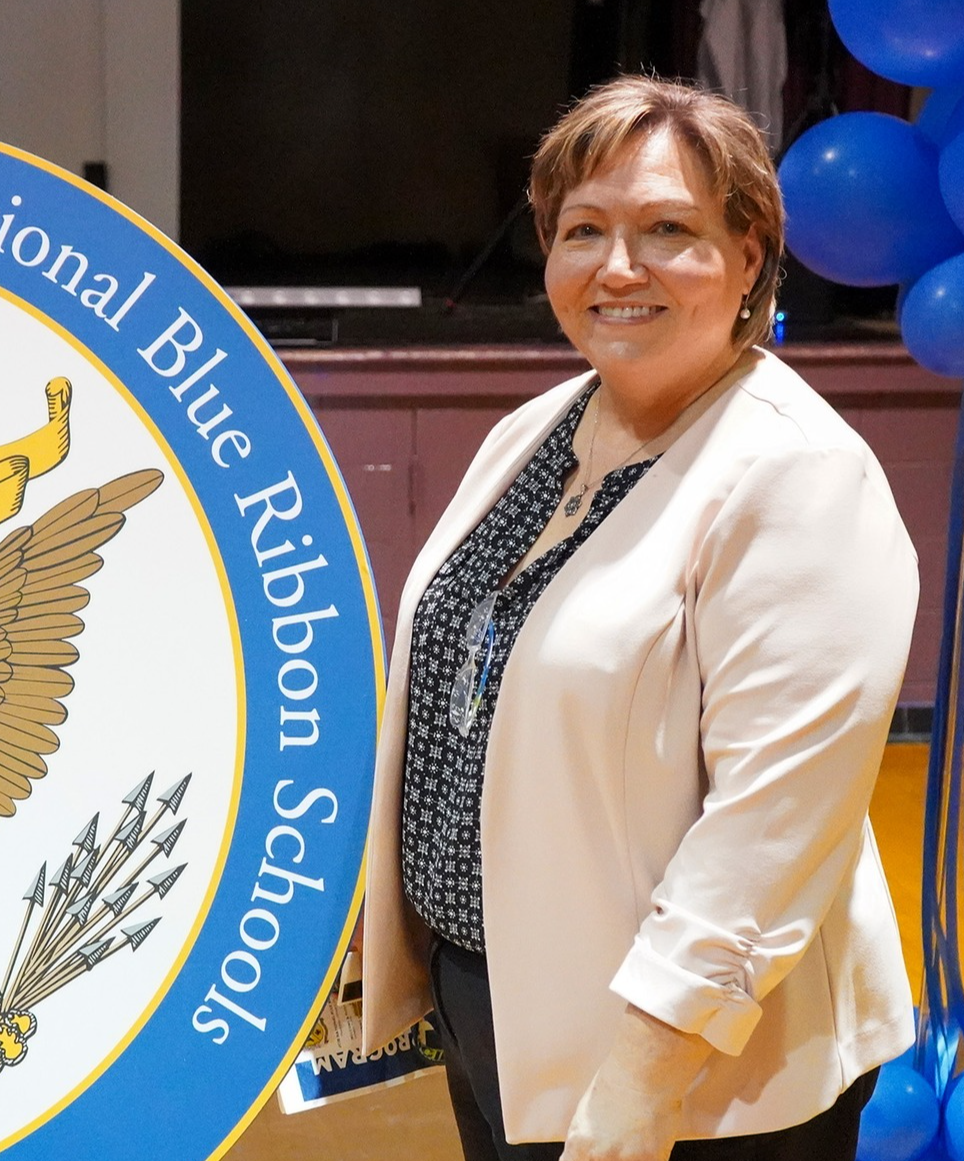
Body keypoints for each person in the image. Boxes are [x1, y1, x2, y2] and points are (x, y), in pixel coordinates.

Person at [360, 75, 917, 1161]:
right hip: (507, 1010)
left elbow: (772, 825)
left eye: (667, 229)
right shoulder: (537, 429)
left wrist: (641, 1084)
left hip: (692, 1073)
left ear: (748, 254)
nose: (617, 268)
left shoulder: (794, 476)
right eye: (584, 231)